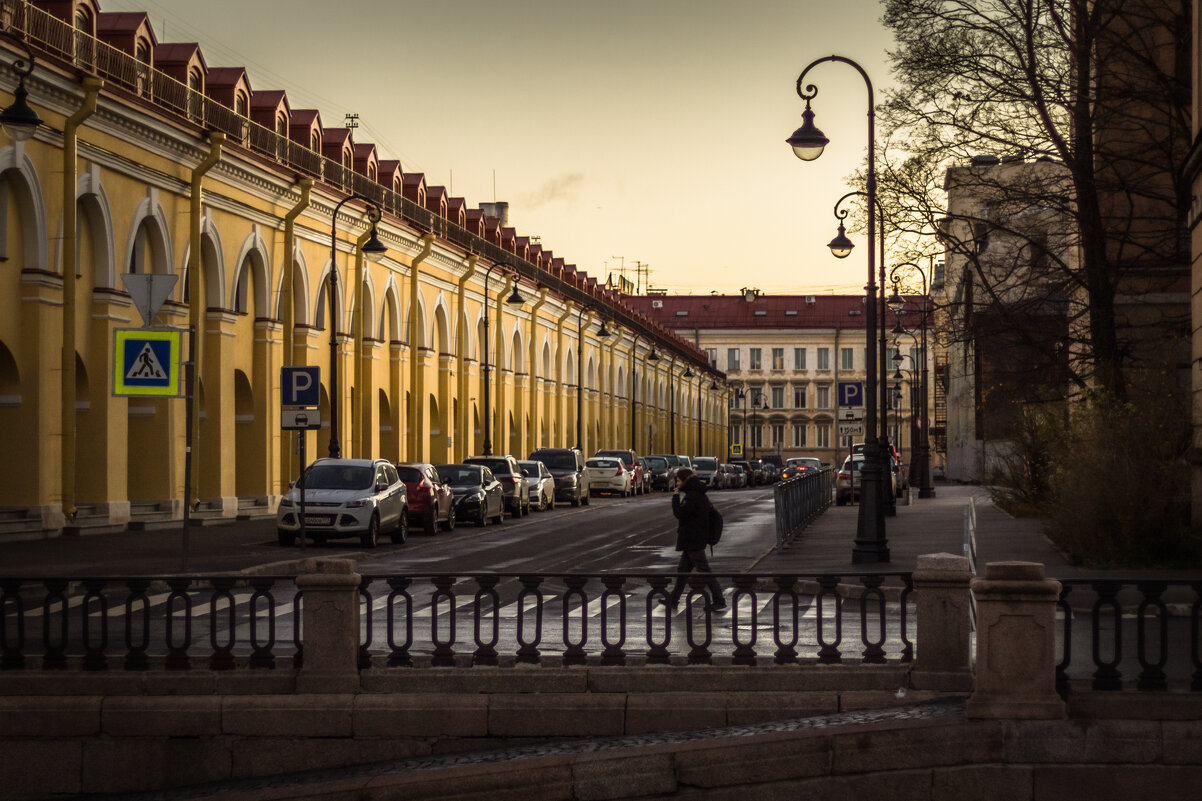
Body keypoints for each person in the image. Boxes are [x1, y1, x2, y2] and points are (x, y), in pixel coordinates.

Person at [664, 467, 726, 611]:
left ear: (685, 480)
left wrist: (675, 497)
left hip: (693, 540)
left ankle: (719, 600)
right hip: (694, 539)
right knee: (682, 572)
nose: (677, 483)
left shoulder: (692, 496)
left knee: (704, 571)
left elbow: (680, 513)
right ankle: (673, 600)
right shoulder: (699, 494)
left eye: (678, 480)